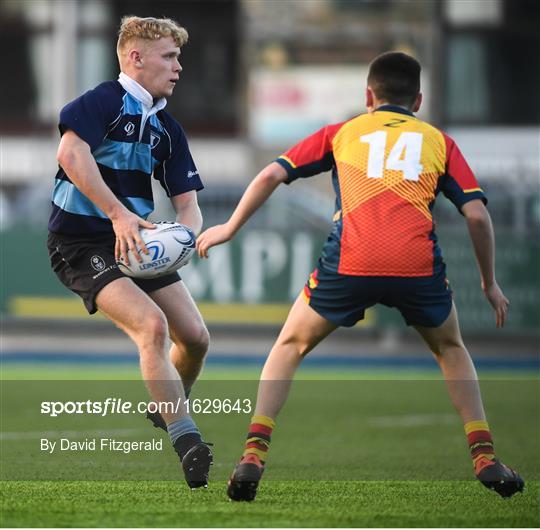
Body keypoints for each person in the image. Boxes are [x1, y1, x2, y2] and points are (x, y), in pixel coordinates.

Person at [196, 52, 524, 501]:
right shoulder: (439, 142)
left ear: (369, 96)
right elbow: (477, 217)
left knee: (290, 345)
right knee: (451, 348)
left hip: (351, 261)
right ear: (419, 100)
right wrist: (489, 282)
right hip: (416, 266)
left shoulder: (342, 132)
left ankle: (253, 452)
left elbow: (273, 172)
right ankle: (485, 457)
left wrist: (229, 227)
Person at [47, 16, 212, 489]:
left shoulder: (168, 128)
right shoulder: (102, 101)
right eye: (169, 56)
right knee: (152, 326)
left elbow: (189, 205)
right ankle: (188, 440)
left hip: (136, 243)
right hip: (80, 243)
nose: (179, 66)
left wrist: (183, 239)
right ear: (135, 58)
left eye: (178, 57)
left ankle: (166, 410)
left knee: (197, 338)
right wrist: (118, 214)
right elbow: (70, 156)